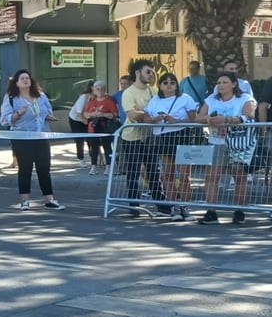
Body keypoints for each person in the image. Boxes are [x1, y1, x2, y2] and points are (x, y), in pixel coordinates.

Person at [196, 72, 257, 224]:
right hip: (217, 141)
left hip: (238, 143)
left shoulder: (244, 98)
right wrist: (208, 119)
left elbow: (248, 115)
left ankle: (239, 211)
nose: (220, 85)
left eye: (224, 82)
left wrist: (227, 120)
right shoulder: (211, 99)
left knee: (239, 176)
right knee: (211, 177)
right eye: (218, 82)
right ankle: (211, 212)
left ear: (234, 84)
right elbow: (198, 117)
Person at [1, 70, 64, 210]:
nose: (25, 80)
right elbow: (4, 120)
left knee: (44, 168)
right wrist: (18, 114)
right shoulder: (11, 98)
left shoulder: (40, 96)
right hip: (22, 138)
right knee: (25, 168)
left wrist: (49, 117)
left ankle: (49, 200)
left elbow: (47, 111)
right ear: (16, 83)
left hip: (41, 136)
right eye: (22, 78)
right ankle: (25, 201)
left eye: (27, 78)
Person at [143, 72, 199, 221]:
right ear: (160, 85)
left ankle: (185, 207)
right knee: (168, 174)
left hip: (182, 136)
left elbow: (195, 119)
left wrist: (175, 121)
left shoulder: (185, 98)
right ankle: (173, 206)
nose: (169, 85)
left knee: (185, 175)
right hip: (163, 138)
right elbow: (146, 118)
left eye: (172, 83)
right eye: (165, 83)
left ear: (177, 85)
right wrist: (156, 118)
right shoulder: (155, 100)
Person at [120, 60, 167, 216]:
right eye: (148, 71)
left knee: (154, 171)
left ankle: (162, 206)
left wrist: (151, 116)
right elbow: (132, 114)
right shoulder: (129, 92)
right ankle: (134, 207)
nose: (151, 74)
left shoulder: (153, 91)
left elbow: (161, 109)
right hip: (132, 137)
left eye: (152, 72)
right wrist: (150, 116)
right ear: (137, 73)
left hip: (149, 138)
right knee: (133, 172)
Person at [83, 81, 118, 175]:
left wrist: (103, 114)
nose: (99, 91)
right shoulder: (91, 101)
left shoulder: (109, 101)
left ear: (105, 90)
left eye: (102, 89)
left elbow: (114, 115)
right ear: (94, 90)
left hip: (105, 127)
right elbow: (85, 114)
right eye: (97, 89)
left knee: (107, 147)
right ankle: (93, 167)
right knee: (93, 148)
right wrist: (92, 114)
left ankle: (108, 167)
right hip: (93, 127)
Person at [68, 82, 92, 166]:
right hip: (75, 119)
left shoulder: (97, 97)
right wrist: (86, 122)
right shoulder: (84, 97)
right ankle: (81, 159)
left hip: (87, 118)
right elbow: (79, 113)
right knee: (79, 139)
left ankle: (93, 157)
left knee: (90, 138)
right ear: (92, 88)